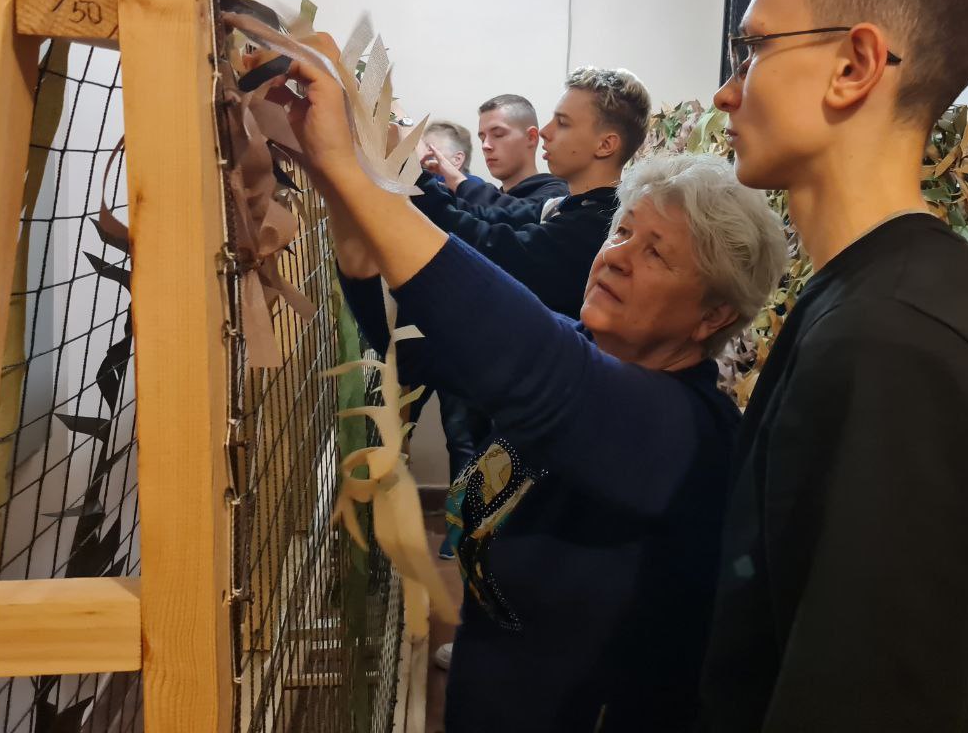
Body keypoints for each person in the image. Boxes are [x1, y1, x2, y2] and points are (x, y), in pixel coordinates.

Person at [280, 36, 788, 732]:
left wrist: (353, 166)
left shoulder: (680, 430)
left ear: (713, 315)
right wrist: (338, 185)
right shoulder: (589, 351)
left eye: (657, 253)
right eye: (622, 233)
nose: (618, 258)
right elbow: (408, 341)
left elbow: (524, 351)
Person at [699, 0, 968, 732]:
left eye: (753, 50)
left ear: (854, 65)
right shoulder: (890, 298)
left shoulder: (890, 343)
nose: (728, 91)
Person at [412, 67, 650, 319]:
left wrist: (410, 171)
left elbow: (493, 246)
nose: (545, 131)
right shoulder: (563, 206)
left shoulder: (598, 224)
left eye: (563, 123)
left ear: (605, 145)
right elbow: (488, 216)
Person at [431, 93, 569, 210]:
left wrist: (460, 183)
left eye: (498, 135)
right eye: (482, 138)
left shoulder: (556, 196)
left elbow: (512, 215)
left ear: (531, 137)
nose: (485, 146)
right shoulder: (491, 199)